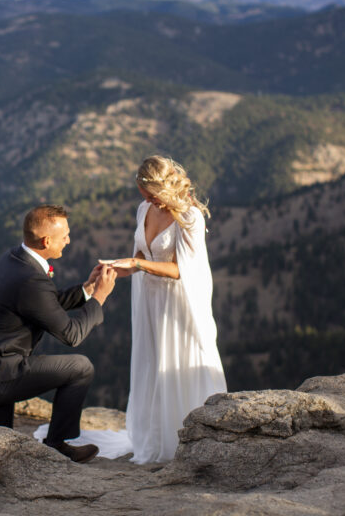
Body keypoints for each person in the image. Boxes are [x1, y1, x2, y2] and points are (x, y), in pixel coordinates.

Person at [0, 204, 118, 464]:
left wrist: (87, 288)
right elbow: (71, 334)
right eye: (64, 235)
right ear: (46, 240)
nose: (69, 240)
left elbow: (44, 304)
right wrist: (99, 297)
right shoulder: (30, 278)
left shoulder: (14, 259)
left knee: (0, 457)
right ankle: (57, 444)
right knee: (80, 367)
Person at [100, 156, 226, 463]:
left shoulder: (190, 217)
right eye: (144, 193)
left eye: (151, 193)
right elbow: (141, 256)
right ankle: (155, 435)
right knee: (152, 363)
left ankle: (187, 435)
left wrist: (138, 263)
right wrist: (117, 268)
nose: (147, 199)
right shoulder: (144, 209)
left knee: (175, 362)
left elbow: (182, 270)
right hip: (150, 301)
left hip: (177, 304)